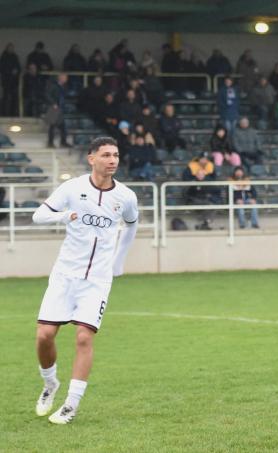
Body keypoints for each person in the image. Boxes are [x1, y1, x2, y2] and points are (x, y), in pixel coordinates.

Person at [31, 137, 138, 424]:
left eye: (116, 155)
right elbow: (38, 216)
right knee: (44, 336)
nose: (112, 160)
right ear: (92, 159)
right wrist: (65, 216)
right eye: (106, 155)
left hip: (97, 280)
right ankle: (50, 383)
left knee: (83, 337)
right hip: (65, 275)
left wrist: (118, 262)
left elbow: (132, 225)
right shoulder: (72, 188)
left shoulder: (126, 196)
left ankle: (71, 405)